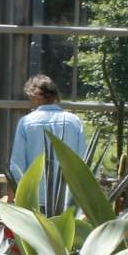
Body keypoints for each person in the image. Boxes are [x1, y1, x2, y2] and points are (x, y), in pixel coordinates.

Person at [8, 73, 87, 212]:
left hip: (35, 197)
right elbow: (83, 162)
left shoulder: (26, 122)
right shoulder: (74, 122)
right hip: (68, 198)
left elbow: (17, 165)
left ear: (34, 96)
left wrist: (18, 196)